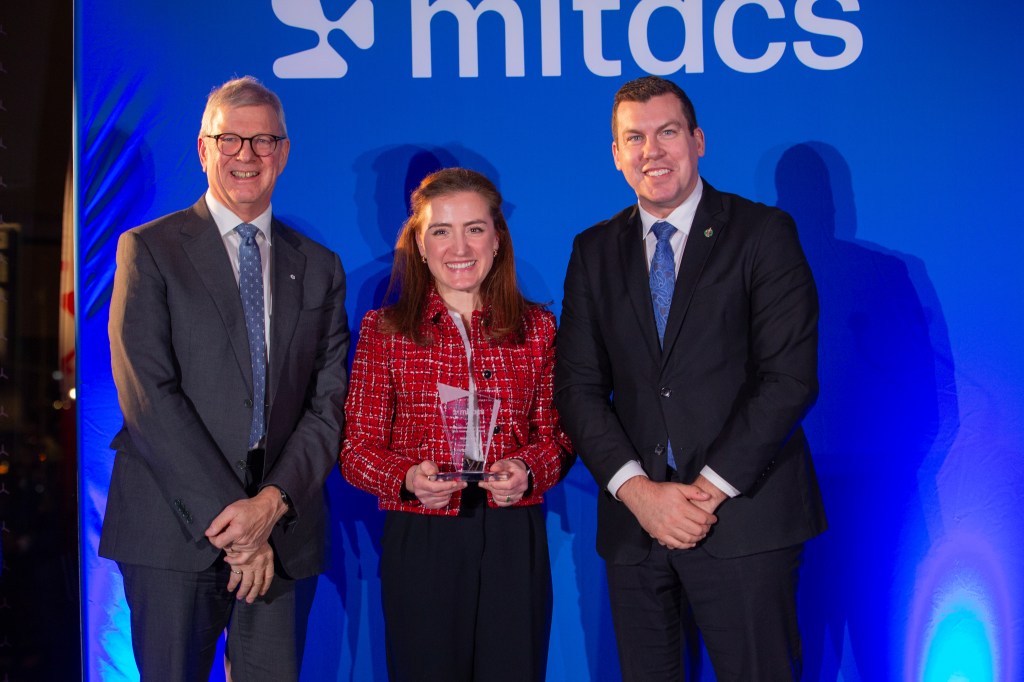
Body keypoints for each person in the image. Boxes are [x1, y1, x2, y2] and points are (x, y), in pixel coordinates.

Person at [554, 75, 827, 680]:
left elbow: (788, 379)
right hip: (636, 529)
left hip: (744, 519)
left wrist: (703, 493)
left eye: (668, 132)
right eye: (635, 138)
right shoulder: (593, 250)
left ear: (698, 141)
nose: (652, 151)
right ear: (616, 154)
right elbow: (576, 388)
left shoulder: (762, 233)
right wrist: (638, 494)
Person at [101, 76, 349, 681]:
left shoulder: (320, 266)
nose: (247, 154)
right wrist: (238, 525)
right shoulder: (148, 249)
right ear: (203, 149)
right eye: (230, 139)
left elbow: (328, 404)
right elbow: (148, 396)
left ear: (283, 153)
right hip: (172, 531)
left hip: (280, 533)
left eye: (263, 140)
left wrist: (269, 506)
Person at [340, 167, 574, 682]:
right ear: (420, 246)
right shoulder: (385, 331)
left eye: (474, 228)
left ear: (497, 239)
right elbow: (356, 450)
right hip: (422, 532)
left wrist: (527, 469)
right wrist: (406, 478)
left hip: (513, 532)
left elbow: (558, 437)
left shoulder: (538, 329)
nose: (459, 247)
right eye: (441, 231)